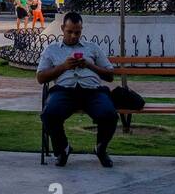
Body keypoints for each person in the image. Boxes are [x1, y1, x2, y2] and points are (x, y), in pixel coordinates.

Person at [38, 10, 117, 168]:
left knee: (110, 114)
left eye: (77, 32)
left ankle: (100, 148)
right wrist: (63, 67)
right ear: (62, 28)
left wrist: (89, 65)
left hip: (92, 91)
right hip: (64, 91)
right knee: (49, 114)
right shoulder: (52, 49)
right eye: (70, 32)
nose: (74, 36)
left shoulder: (92, 48)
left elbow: (110, 75)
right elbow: (41, 78)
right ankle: (63, 149)